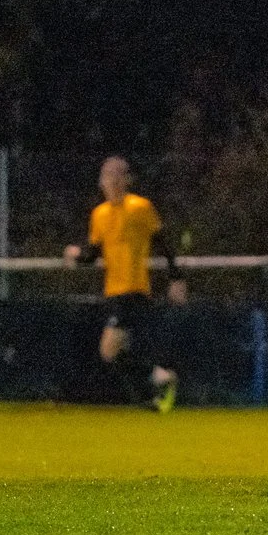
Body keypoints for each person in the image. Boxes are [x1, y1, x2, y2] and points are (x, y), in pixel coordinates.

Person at [63, 156, 186, 410]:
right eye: (108, 177)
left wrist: (176, 277)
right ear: (101, 182)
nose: (112, 182)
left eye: (117, 176)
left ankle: (158, 378)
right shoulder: (99, 214)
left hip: (134, 289)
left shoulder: (140, 207)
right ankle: (155, 390)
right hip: (113, 291)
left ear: (127, 180)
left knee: (109, 350)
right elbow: (94, 253)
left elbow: (163, 243)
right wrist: (76, 256)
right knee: (118, 352)